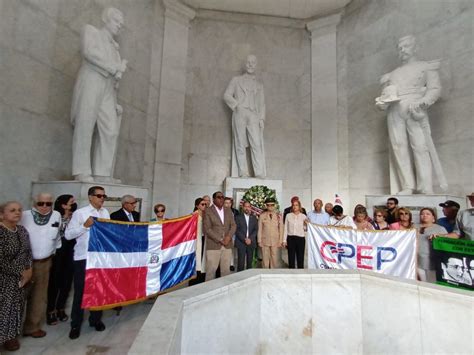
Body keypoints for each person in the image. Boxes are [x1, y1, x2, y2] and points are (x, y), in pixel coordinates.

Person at [376, 35, 445, 194]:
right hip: (395, 110)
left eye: (406, 46)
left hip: (416, 108)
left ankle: (425, 186)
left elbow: (435, 89)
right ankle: (408, 185)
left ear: (415, 47)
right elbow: (385, 95)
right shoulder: (391, 74)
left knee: (420, 147)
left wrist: (423, 101)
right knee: (399, 148)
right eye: (400, 48)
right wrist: (382, 103)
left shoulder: (425, 67)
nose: (403, 50)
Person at [71, 7, 127, 183]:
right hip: (92, 79)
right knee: (85, 123)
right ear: (106, 20)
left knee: (110, 129)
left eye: (121, 24)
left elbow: (116, 75)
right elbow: (89, 52)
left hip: (108, 88)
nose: (119, 25)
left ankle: (102, 173)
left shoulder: (115, 48)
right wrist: (114, 67)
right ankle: (81, 170)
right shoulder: (91, 31)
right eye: (116, 21)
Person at [65, 186, 110, 339]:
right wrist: (85, 226)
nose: (102, 198)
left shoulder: (105, 213)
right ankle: (75, 324)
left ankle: (95, 319)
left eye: (104, 195)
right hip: (83, 258)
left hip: (99, 258)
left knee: (98, 290)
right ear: (90, 197)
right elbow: (69, 235)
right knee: (80, 292)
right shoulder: (80, 213)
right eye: (98, 195)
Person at [20, 193, 61, 338]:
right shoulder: (24, 215)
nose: (44, 207)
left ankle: (31, 327)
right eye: (41, 203)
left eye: (48, 204)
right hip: (25, 264)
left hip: (45, 263)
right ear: (34, 203)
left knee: (39, 296)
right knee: (19, 297)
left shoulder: (56, 215)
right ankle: (10, 333)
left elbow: (57, 237)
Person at [224, 54, 266, 178]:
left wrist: (262, 118)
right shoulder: (236, 80)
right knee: (240, 142)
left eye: (253, 62)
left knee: (256, 143)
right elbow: (227, 95)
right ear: (244, 64)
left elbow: (262, 103)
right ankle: (243, 171)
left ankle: (259, 172)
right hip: (240, 112)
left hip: (254, 114)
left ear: (256, 65)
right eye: (248, 62)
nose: (250, 65)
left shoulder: (259, 85)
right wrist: (236, 106)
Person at [0, 201, 33, 351]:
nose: (17, 213)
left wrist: (29, 269)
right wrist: (21, 271)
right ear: (2, 215)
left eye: (19, 210)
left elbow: (28, 252)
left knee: (17, 307)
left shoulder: (22, 230)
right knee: (3, 308)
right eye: (12, 210)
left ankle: (10, 337)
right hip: (4, 278)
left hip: (21, 279)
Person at [46, 195, 77, 326]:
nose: (74, 204)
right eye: (71, 202)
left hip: (71, 252)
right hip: (58, 253)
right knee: (55, 282)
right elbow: (55, 233)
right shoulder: (55, 216)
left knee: (67, 282)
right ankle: (51, 310)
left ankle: (61, 307)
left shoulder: (75, 216)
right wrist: (64, 218)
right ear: (64, 205)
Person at [203, 192, 236, 281]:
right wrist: (220, 239)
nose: (221, 199)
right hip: (213, 246)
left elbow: (233, 225)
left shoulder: (228, 210)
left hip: (227, 245)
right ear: (214, 199)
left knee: (226, 272)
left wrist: (228, 237)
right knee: (211, 272)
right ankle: (209, 293)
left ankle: (224, 293)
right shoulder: (208, 211)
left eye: (223, 197)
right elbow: (207, 229)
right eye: (219, 197)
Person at [417, 208, 447, 283]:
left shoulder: (440, 228)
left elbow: (446, 243)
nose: (424, 215)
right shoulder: (414, 227)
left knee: (432, 284)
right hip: (417, 261)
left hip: (432, 261)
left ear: (433, 217)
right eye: (422, 214)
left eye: (428, 214)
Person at [258, 198, 283, 269]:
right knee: (265, 259)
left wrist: (280, 241)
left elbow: (281, 229)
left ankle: (273, 274)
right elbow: (260, 229)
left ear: (275, 205)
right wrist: (259, 240)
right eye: (268, 205)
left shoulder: (278, 216)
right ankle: (265, 273)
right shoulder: (262, 216)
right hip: (265, 240)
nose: (270, 207)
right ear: (266, 206)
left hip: (275, 240)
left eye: (272, 205)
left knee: (274, 258)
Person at [234, 201, 258, 271]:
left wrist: (250, 238)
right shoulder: (238, 217)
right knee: (240, 263)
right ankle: (240, 279)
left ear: (251, 208)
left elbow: (256, 229)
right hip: (241, 242)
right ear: (242, 207)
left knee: (249, 263)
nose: (247, 208)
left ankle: (249, 278)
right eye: (245, 206)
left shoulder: (254, 218)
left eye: (248, 206)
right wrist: (245, 239)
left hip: (251, 242)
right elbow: (237, 230)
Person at [283, 200, 307, 269]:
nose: (294, 207)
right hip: (290, 238)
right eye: (293, 205)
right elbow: (285, 229)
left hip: (300, 239)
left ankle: (300, 274)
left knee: (300, 257)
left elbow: (305, 229)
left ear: (299, 206)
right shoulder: (288, 215)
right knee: (291, 257)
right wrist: (284, 240)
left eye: (296, 205)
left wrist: (306, 224)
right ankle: (291, 273)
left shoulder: (303, 216)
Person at [189, 198, 207, 285]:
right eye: (202, 204)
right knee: (197, 260)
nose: (204, 206)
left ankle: (201, 280)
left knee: (203, 259)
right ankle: (194, 281)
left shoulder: (206, 214)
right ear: (197, 205)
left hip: (205, 238)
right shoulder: (194, 215)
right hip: (197, 240)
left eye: (205, 204)